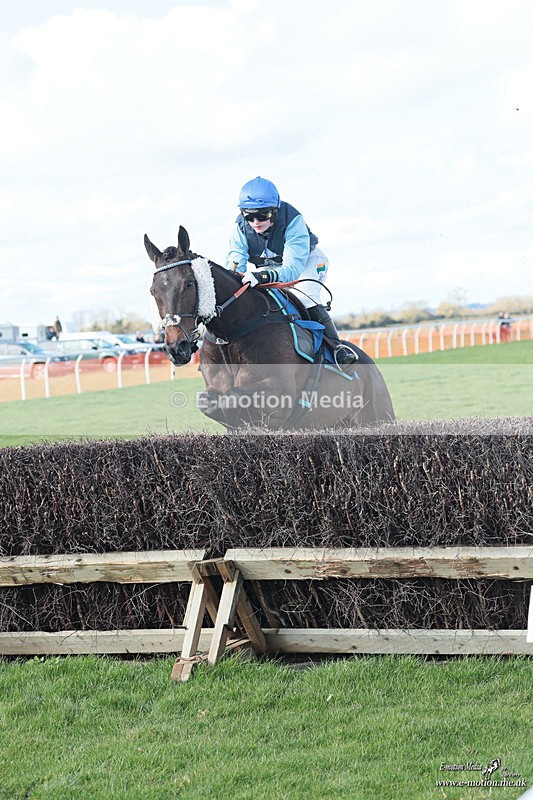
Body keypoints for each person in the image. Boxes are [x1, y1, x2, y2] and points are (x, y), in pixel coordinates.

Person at [226, 176, 356, 365]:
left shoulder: (293, 220)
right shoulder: (240, 226)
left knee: (305, 297)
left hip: (307, 263)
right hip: (271, 266)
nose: (255, 222)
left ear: (274, 211)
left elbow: (292, 270)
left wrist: (262, 276)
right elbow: (236, 260)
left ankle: (337, 349)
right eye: (249, 215)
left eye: (262, 215)